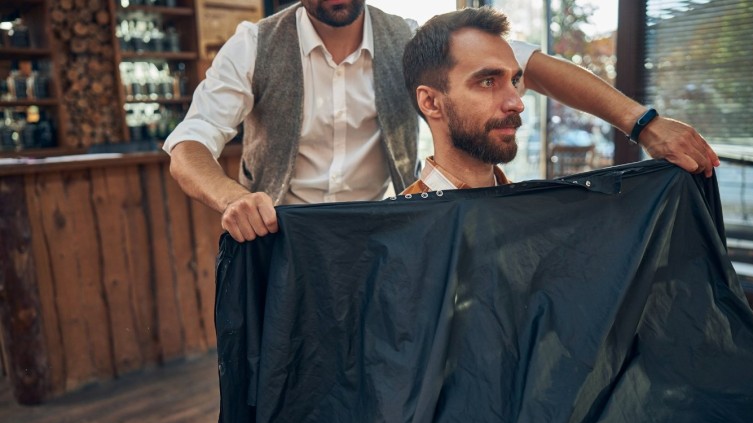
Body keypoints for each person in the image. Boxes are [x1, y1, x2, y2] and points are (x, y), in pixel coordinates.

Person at [163, 0, 719, 242]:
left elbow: (532, 66)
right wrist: (232, 198)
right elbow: (189, 144)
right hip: (286, 242)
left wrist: (643, 123)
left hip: (389, 236)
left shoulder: (409, 39)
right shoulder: (254, 46)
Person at [400, 7, 524, 194]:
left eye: (514, 81)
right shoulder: (400, 222)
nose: (517, 104)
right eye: (487, 82)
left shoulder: (530, 211)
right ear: (430, 102)